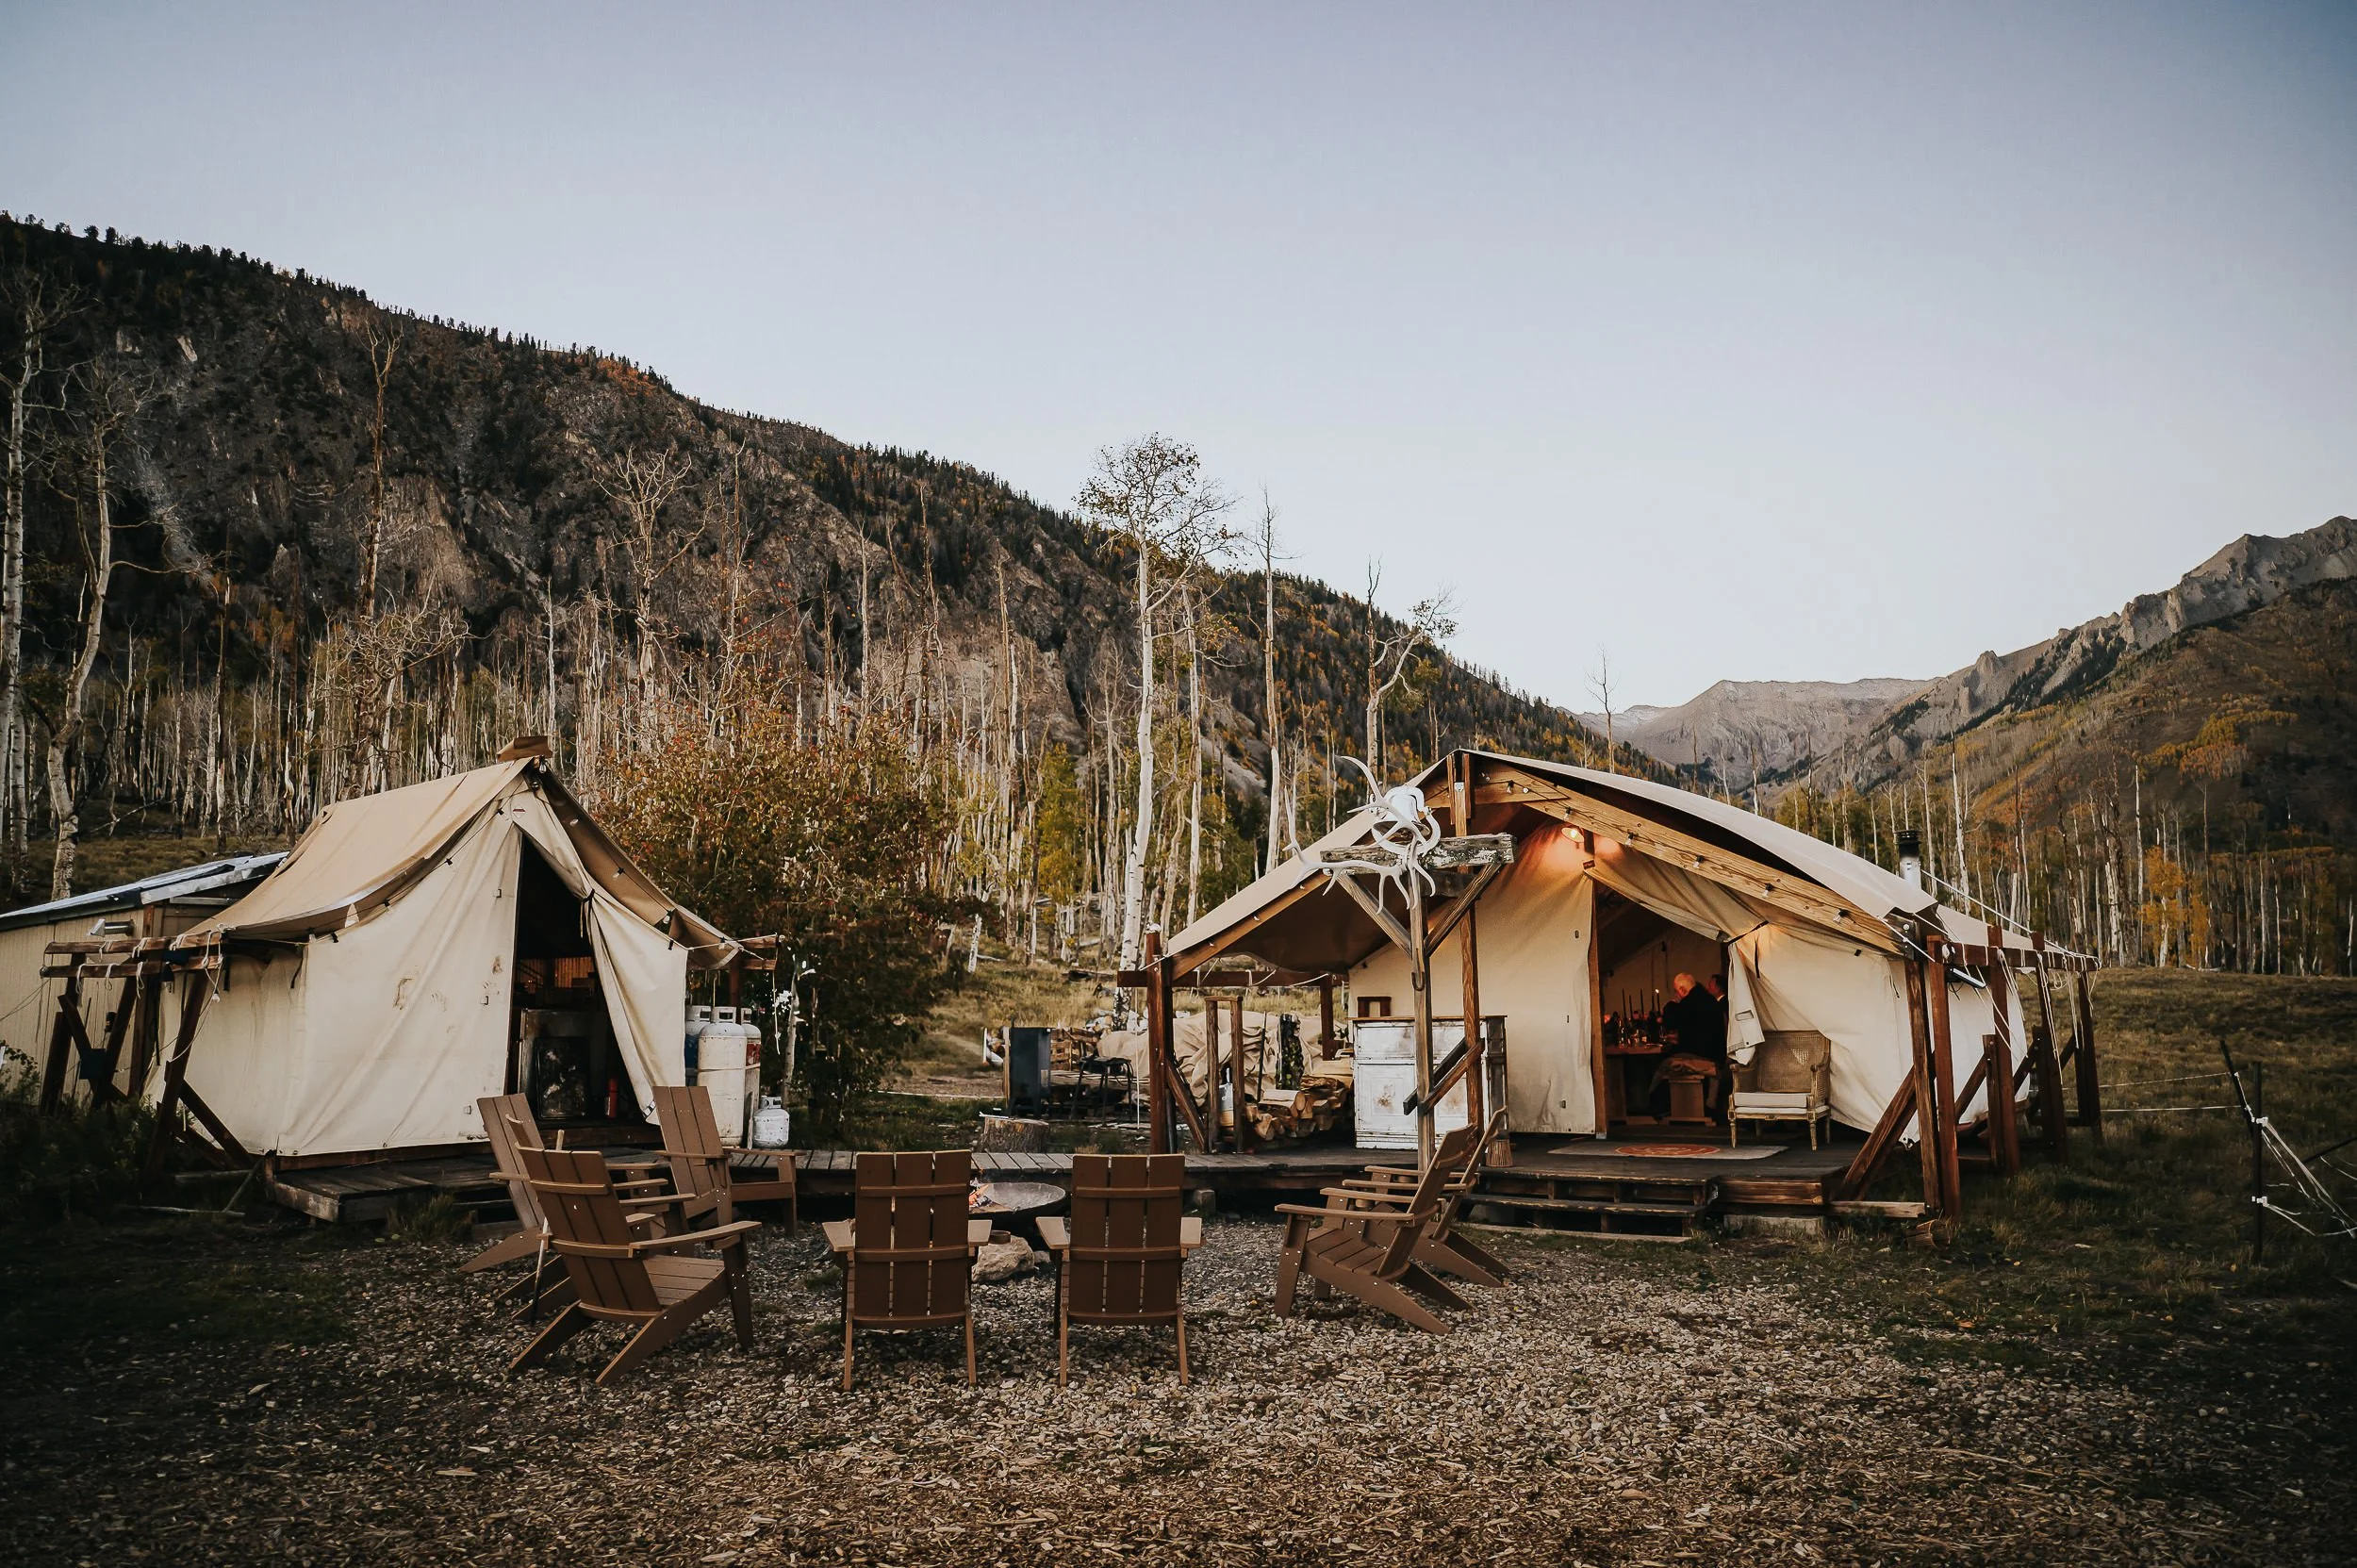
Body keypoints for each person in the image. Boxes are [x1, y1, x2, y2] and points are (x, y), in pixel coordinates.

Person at [1649, 973, 1725, 1116]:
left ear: (1683, 990)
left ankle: (1655, 1105)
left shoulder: (1691, 1001)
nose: (1677, 994)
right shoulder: (1707, 999)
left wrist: (1673, 1002)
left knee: (1664, 1064)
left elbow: (1670, 1020)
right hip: (1715, 1053)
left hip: (1704, 1057)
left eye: (1677, 991)